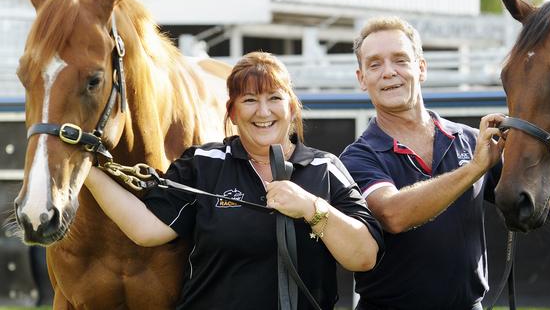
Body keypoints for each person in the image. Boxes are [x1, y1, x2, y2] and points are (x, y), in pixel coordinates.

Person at [85, 51, 383, 309]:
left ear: (291, 108)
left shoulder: (324, 168)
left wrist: (312, 208)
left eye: (274, 98)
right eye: (250, 100)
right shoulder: (204, 164)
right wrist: (85, 170)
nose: (263, 111)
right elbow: (146, 229)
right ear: (233, 112)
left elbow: (364, 256)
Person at [339, 16, 504, 310]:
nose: (389, 72)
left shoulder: (470, 140)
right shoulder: (356, 158)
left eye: (400, 60)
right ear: (362, 79)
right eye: (375, 64)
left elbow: (537, 204)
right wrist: (474, 168)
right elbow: (393, 215)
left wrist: (540, 150)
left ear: (422, 68)